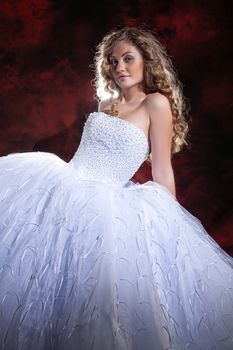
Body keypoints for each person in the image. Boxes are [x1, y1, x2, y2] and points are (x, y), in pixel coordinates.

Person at [0, 27, 232, 350]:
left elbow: (162, 169)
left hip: (106, 209)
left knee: (98, 297)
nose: (119, 67)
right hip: (65, 187)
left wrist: (172, 229)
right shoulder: (105, 103)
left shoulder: (156, 104)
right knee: (40, 280)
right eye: (113, 61)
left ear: (146, 61)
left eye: (128, 59)